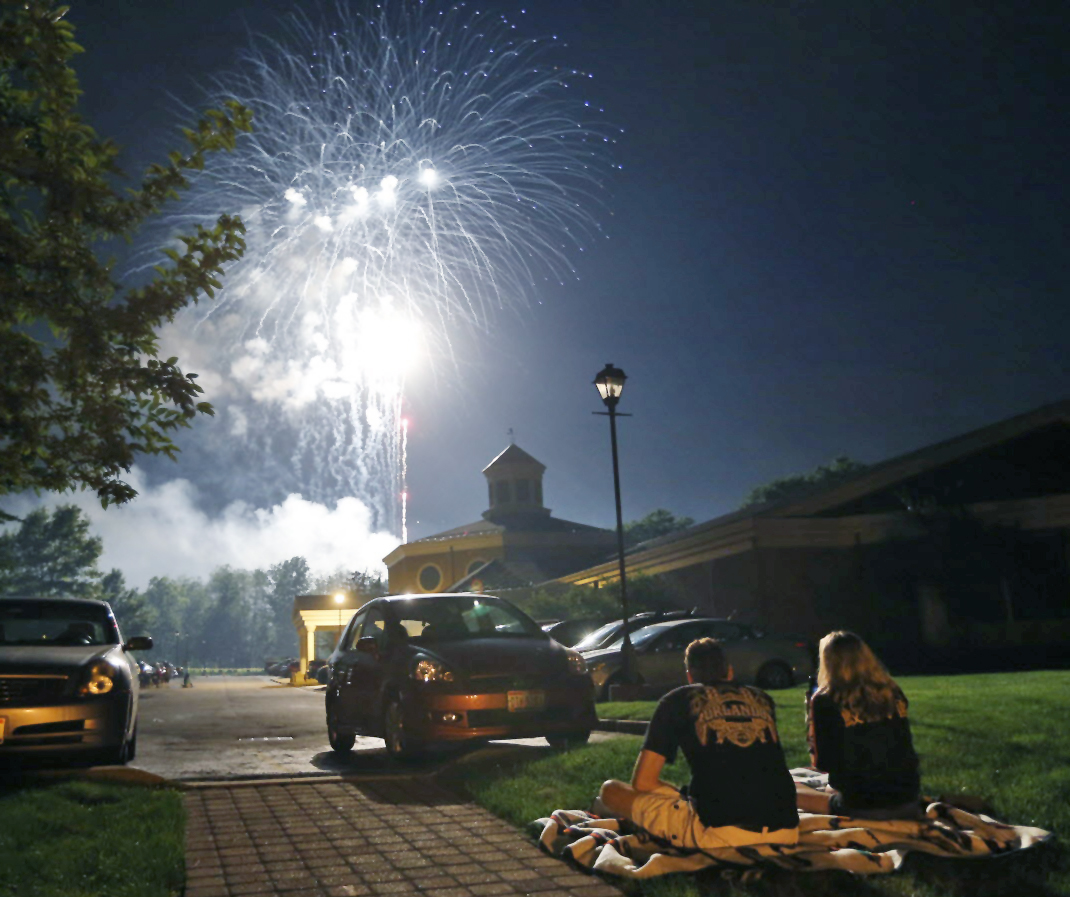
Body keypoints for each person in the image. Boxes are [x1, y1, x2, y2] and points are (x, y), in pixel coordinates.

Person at [598, 638, 799, 849]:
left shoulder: (677, 700)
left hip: (721, 833)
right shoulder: (762, 699)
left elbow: (643, 781)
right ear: (729, 672)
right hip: (787, 830)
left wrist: (682, 796)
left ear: (690, 677)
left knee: (611, 790)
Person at [798, 630, 921, 819]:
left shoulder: (826, 699)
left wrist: (812, 724)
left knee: (791, 790)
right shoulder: (892, 691)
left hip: (862, 804)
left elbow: (823, 763)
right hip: (908, 798)